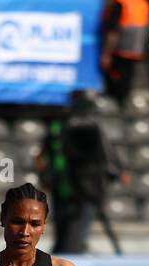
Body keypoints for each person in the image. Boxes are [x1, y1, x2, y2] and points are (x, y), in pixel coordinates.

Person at [39, 91, 128, 255]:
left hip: (66, 184)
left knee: (65, 224)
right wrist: (117, 171)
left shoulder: (60, 125)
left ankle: (66, 251)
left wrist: (46, 175)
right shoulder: (91, 126)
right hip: (83, 185)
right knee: (76, 225)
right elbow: (106, 152)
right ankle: (70, 253)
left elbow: (44, 156)